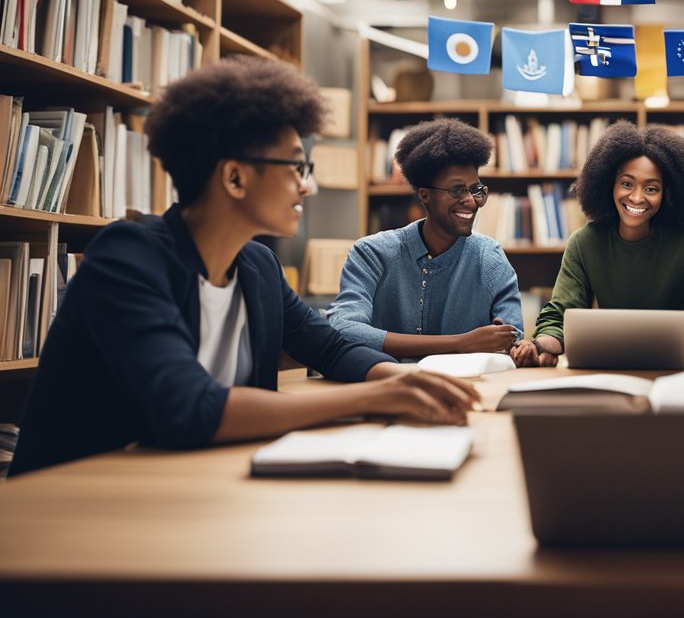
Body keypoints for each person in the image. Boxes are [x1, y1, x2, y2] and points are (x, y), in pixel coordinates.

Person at [9, 58, 477, 476]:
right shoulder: (127, 258)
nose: (306, 187)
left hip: (191, 488)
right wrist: (376, 398)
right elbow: (188, 409)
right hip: (77, 503)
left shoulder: (257, 265)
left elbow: (330, 348)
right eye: (296, 167)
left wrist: (405, 378)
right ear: (234, 177)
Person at [512, 121, 684, 367]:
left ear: (668, 193)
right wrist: (542, 344)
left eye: (651, 188)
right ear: (609, 185)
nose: (637, 197)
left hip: (679, 368)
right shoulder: (585, 242)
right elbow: (560, 313)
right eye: (627, 184)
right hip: (613, 367)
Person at [327, 119, 523, 360]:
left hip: (465, 392)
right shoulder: (372, 254)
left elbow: (513, 339)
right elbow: (343, 329)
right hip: (384, 390)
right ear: (425, 195)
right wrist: (460, 343)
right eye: (456, 190)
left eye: (475, 190)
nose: (471, 201)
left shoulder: (490, 258)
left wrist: (527, 349)